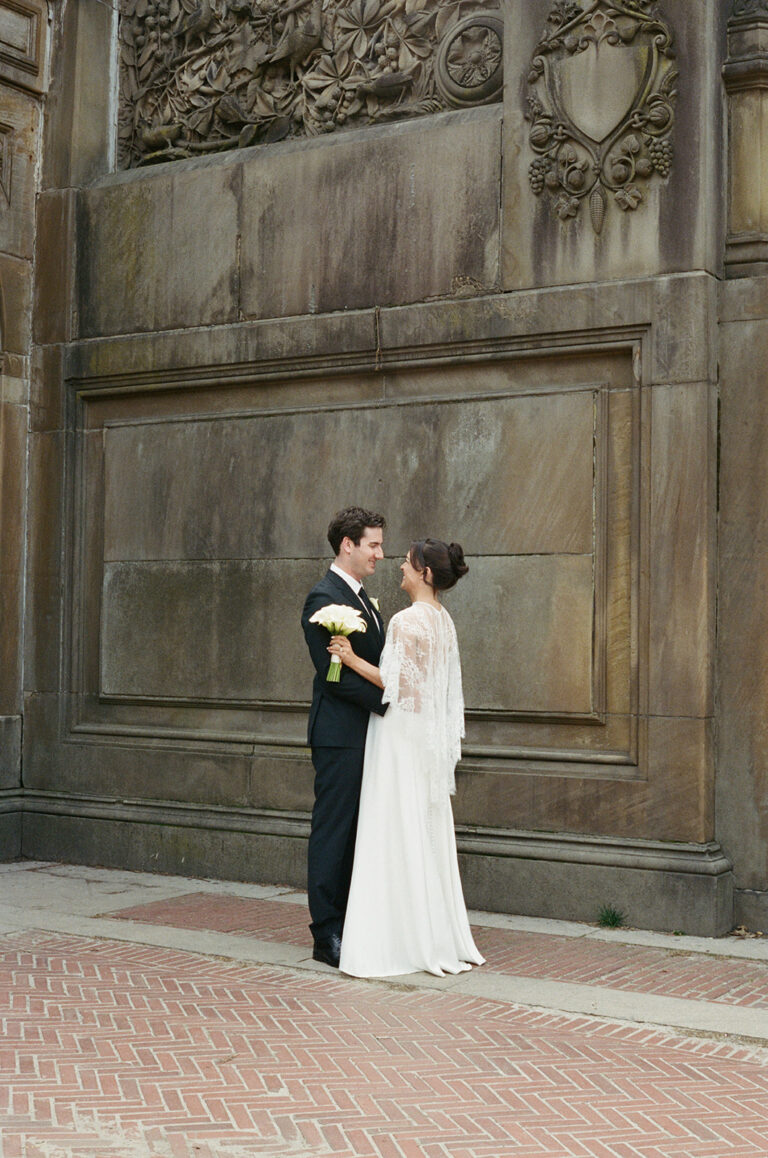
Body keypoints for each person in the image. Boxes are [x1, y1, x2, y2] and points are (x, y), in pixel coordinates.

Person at [328, 538, 485, 978]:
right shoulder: (443, 620)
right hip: (424, 737)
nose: (400, 566)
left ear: (425, 573)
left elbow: (396, 683)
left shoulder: (405, 620)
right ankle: (430, 933)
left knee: (392, 824)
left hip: (399, 733)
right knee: (422, 826)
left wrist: (350, 658)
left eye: (409, 563)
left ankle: (394, 939)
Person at [301, 506, 388, 968]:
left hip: (364, 732)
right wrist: (389, 700)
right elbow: (333, 677)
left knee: (357, 830)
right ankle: (326, 933)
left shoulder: (361, 597)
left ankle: (351, 922)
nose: (380, 554)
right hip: (339, 735)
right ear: (347, 545)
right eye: (373, 545)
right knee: (334, 831)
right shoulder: (323, 598)